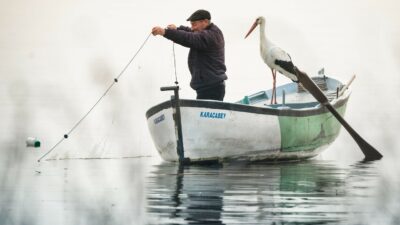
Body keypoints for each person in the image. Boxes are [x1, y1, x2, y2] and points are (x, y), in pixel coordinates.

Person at [152, 9, 228, 101]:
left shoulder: (211, 35)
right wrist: (177, 29)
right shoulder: (206, 32)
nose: (192, 28)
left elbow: (189, 37)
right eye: (191, 25)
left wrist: (165, 32)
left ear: (205, 22)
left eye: (194, 24)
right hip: (208, 87)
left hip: (212, 88)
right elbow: (191, 32)